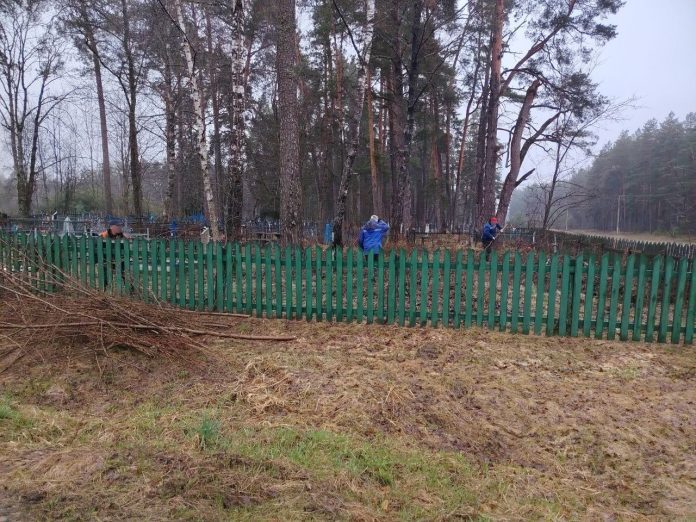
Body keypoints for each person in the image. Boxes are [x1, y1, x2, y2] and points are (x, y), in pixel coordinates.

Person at [99, 219, 130, 289]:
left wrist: (127, 239)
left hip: (119, 260)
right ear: (111, 227)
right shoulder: (103, 235)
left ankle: (130, 289)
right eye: (118, 226)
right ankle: (104, 288)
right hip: (107, 260)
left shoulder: (122, 235)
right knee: (106, 275)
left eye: (120, 226)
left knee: (125, 273)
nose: (120, 227)